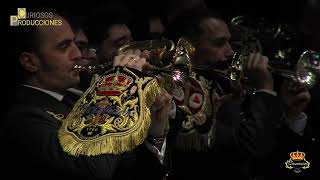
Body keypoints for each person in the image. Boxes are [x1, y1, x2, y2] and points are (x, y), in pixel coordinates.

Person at [1, 9, 172, 180]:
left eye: (75, 44)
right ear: (30, 62)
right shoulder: (22, 120)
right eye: (63, 46)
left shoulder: (80, 97)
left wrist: (153, 135)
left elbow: (129, 165)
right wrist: (116, 86)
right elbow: (94, 170)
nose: (77, 54)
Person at [164, 7, 283, 179]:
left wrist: (291, 111)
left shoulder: (219, 84)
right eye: (219, 43)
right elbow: (251, 145)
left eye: (229, 42)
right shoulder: (173, 94)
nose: (230, 52)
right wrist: (265, 87)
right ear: (187, 49)